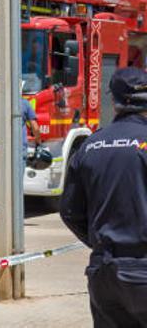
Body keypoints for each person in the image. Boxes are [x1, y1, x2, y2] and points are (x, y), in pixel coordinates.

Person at [60, 67, 147, 326]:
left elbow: (69, 212)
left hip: (103, 272)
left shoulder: (90, 145)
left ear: (114, 101)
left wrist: (101, 244)